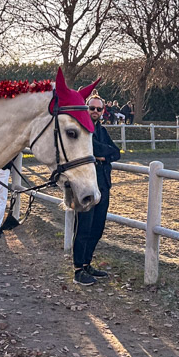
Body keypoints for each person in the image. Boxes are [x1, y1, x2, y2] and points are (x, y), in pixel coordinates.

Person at [73, 94, 121, 285]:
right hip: (85, 185)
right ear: (86, 109)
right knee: (83, 227)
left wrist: (102, 156)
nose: (94, 112)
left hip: (103, 184)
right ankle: (78, 269)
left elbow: (116, 152)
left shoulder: (101, 129)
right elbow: (94, 148)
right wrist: (102, 153)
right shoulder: (81, 130)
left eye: (98, 109)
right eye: (91, 108)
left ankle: (86, 263)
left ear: (103, 111)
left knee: (97, 227)